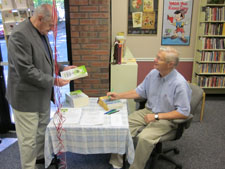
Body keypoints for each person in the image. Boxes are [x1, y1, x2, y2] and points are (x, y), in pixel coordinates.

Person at [6, 4, 75, 169]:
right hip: (26, 99)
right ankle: (29, 166)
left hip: (42, 96)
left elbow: (46, 59)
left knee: (41, 133)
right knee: (28, 140)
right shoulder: (20, 35)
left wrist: (62, 68)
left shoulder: (41, 31)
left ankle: (39, 161)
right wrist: (54, 81)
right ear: (39, 18)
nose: (52, 29)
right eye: (51, 25)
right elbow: (26, 71)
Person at [107, 47, 192, 169]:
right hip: (148, 111)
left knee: (144, 138)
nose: (154, 60)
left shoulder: (179, 83)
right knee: (122, 126)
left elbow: (184, 112)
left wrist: (157, 116)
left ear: (170, 64)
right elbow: (139, 92)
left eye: (159, 59)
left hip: (167, 118)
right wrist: (118, 95)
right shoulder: (153, 74)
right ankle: (117, 162)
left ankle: (136, 167)